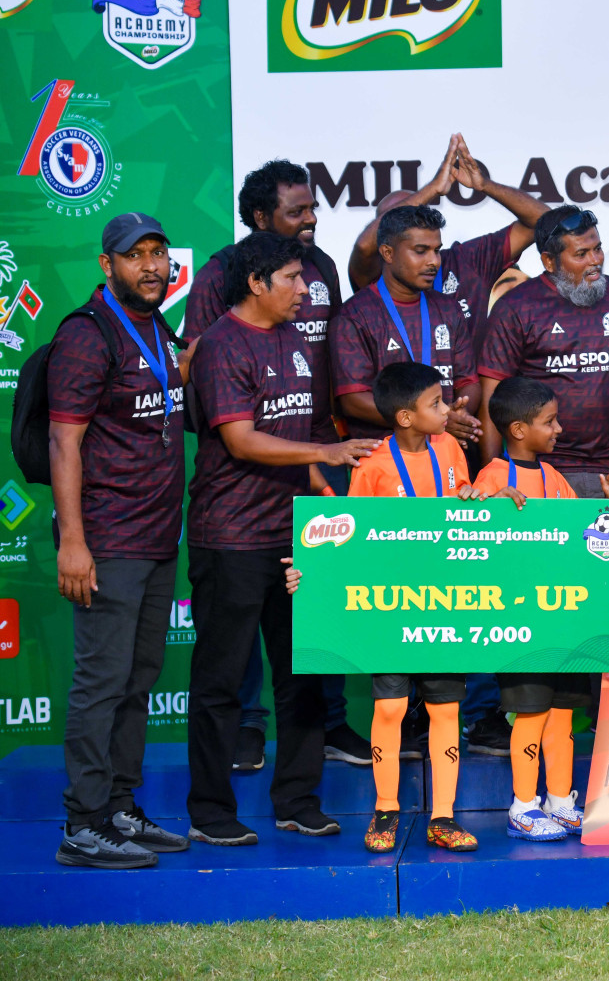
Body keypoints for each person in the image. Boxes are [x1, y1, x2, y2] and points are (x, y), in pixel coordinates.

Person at [184, 232, 378, 845]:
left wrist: (322, 484)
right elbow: (240, 439)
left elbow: (303, 427)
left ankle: (298, 798)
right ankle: (211, 811)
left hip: (297, 535)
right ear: (256, 284)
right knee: (220, 683)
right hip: (232, 536)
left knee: (303, 675)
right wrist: (324, 450)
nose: (305, 289)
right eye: (292, 279)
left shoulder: (297, 340)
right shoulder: (219, 344)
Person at [48, 213, 189, 869]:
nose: (152, 266)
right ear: (108, 265)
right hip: (106, 537)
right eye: (136, 256)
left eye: (159, 254)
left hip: (157, 535)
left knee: (137, 679)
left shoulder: (156, 324)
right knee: (102, 682)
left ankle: (121, 808)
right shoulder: (87, 333)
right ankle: (83, 823)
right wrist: (73, 541)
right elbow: (64, 441)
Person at [348, 362, 485, 853]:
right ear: (406, 417)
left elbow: (461, 510)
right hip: (390, 607)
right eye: (436, 404)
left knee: (446, 708)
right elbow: (352, 540)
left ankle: (443, 817)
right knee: (389, 707)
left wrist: (470, 497)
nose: (448, 410)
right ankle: (386, 809)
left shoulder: (450, 448)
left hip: (446, 604)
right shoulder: (371, 466)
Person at [475, 378, 594, 840]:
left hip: (561, 620)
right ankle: (523, 807)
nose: (559, 429)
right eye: (551, 422)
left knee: (563, 714)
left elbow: (583, 538)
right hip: (520, 624)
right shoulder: (490, 477)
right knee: (530, 714)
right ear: (520, 429)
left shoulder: (555, 479)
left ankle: (560, 800)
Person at [476, 206, 609, 497]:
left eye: (598, 249)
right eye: (581, 254)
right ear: (549, 261)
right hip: (543, 470)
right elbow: (491, 398)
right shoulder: (516, 307)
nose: (595, 261)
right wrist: (496, 473)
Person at [348, 134, 548, 342]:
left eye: (417, 215)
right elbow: (364, 247)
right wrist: (433, 188)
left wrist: (485, 186)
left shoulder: (467, 261)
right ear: (384, 245)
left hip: (464, 375)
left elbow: (542, 220)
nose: (408, 226)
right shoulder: (373, 274)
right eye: (397, 222)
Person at [331, 205, 482, 448]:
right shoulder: (355, 315)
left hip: (445, 452)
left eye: (437, 251)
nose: (433, 261)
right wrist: (428, 419)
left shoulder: (448, 308)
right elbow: (353, 399)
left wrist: (457, 413)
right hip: (385, 457)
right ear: (388, 253)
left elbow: (468, 381)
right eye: (420, 251)